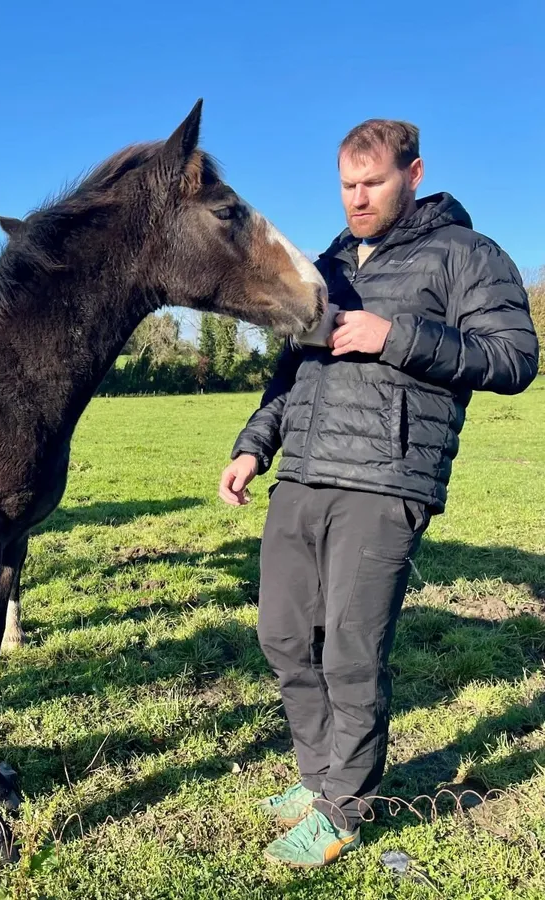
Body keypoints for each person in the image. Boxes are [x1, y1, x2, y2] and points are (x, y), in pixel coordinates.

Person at [219, 118, 538, 868]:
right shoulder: (328, 263)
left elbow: (516, 358)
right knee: (285, 638)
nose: (357, 200)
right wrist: (253, 445)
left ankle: (344, 808)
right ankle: (315, 776)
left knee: (353, 653)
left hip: (388, 476)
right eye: (346, 186)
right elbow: (292, 370)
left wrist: (392, 335)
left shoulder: (468, 255)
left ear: (414, 175)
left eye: (373, 184)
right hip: (302, 473)